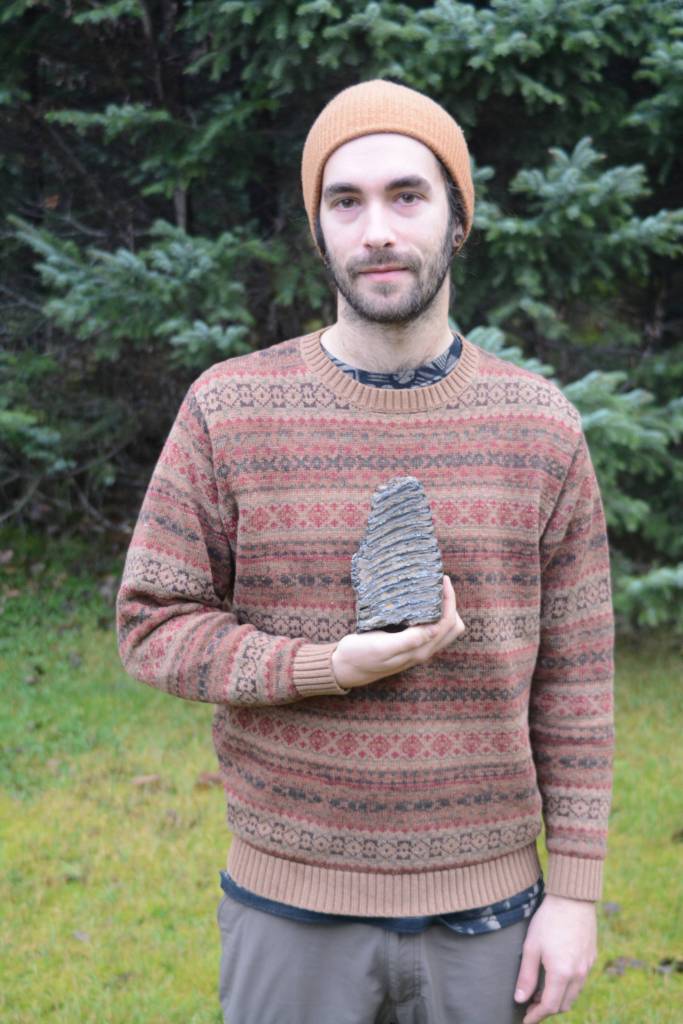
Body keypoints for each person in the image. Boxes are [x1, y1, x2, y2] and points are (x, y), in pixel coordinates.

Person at [116, 80, 614, 1024]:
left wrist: (576, 894)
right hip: (287, 912)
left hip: (490, 917)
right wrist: (320, 667)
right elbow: (151, 626)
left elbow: (578, 680)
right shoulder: (229, 408)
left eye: (407, 196)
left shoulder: (538, 426)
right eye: (345, 201)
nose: (376, 228)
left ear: (457, 219)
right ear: (318, 229)